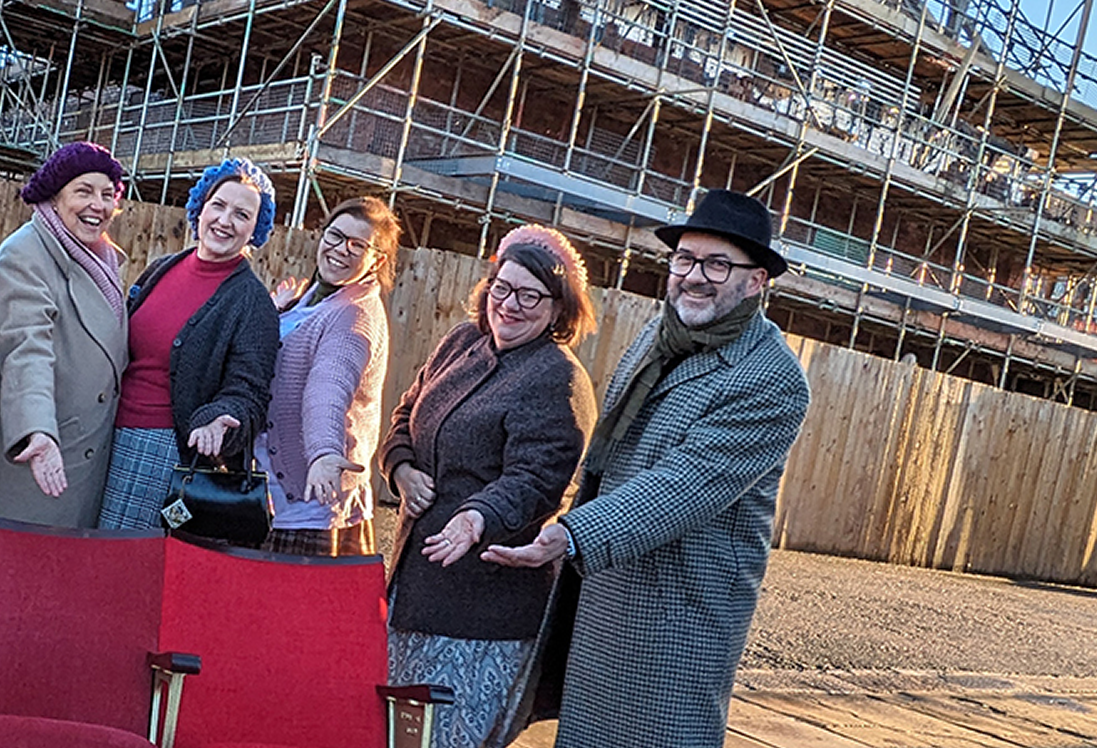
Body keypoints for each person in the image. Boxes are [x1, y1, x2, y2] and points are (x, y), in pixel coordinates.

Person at [484, 189, 812, 748]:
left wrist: (571, 533)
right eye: (684, 259)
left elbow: (685, 484)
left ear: (756, 281)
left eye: (717, 264)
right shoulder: (658, 338)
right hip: (608, 590)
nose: (694, 276)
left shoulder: (771, 378)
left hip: (680, 609)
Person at [380, 225, 597, 747]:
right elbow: (407, 411)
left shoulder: (557, 379)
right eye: (503, 287)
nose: (511, 304)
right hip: (414, 590)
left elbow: (538, 479)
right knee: (397, 736)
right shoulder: (462, 343)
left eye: (530, 295)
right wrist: (401, 468)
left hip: (484, 609)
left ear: (558, 306)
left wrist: (477, 515)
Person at [98, 158, 279, 532]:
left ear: (255, 230)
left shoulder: (252, 302)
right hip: (104, 431)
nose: (225, 221)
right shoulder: (163, 268)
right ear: (201, 207)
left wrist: (221, 418)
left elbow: (250, 392)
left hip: (159, 448)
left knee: (120, 566)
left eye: (242, 215)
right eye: (218, 205)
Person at [0, 141, 129, 526]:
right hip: (39, 457)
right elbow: (25, 349)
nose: (98, 205)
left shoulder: (99, 258)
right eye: (83, 191)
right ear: (55, 197)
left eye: (108, 195)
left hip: (80, 456)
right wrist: (36, 429)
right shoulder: (25, 255)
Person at [258, 197, 400, 557]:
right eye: (335, 236)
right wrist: (276, 310)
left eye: (357, 245)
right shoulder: (316, 297)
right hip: (278, 491)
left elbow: (328, 388)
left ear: (377, 259)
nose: (341, 250)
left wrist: (324, 453)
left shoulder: (354, 316)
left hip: (313, 503)